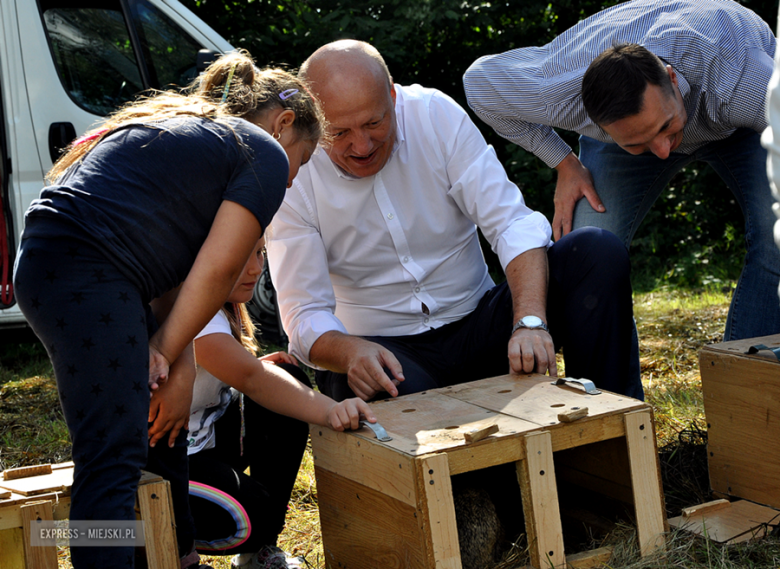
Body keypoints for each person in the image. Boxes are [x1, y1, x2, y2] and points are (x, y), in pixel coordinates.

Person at [12, 51, 332, 569]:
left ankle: (178, 557)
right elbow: (214, 272)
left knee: (158, 434)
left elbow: (171, 281)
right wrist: (164, 348)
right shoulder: (264, 155)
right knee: (110, 462)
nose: (291, 181)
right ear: (284, 123)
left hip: (65, 263)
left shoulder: (191, 138)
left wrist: (176, 365)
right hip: (85, 269)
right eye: (303, 162)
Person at [267, 40, 641, 404]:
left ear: (393, 99)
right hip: (383, 353)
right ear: (315, 123)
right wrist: (350, 352)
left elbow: (510, 223)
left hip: (480, 326)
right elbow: (304, 314)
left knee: (597, 251)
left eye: (374, 123)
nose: (362, 146)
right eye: (340, 133)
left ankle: (609, 434)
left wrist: (529, 320)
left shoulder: (434, 114)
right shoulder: (292, 167)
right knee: (377, 388)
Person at [464, 0, 780, 343]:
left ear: (672, 79)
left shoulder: (743, 80)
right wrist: (565, 162)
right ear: (589, 120)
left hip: (742, 120)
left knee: (775, 236)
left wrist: (650, 134)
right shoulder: (556, 92)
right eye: (639, 141)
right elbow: (478, 85)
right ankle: (610, 393)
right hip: (638, 126)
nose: (662, 151)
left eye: (665, 127)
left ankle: (751, 377)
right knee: (586, 252)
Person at [175, 238, 371, 569]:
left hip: (205, 448)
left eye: (259, 252)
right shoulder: (195, 312)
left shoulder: (224, 305)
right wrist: (331, 409)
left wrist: (266, 373)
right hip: (171, 467)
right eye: (241, 255)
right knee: (259, 517)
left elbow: (245, 376)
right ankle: (170, 548)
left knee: (286, 373)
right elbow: (253, 380)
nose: (255, 267)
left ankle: (258, 554)